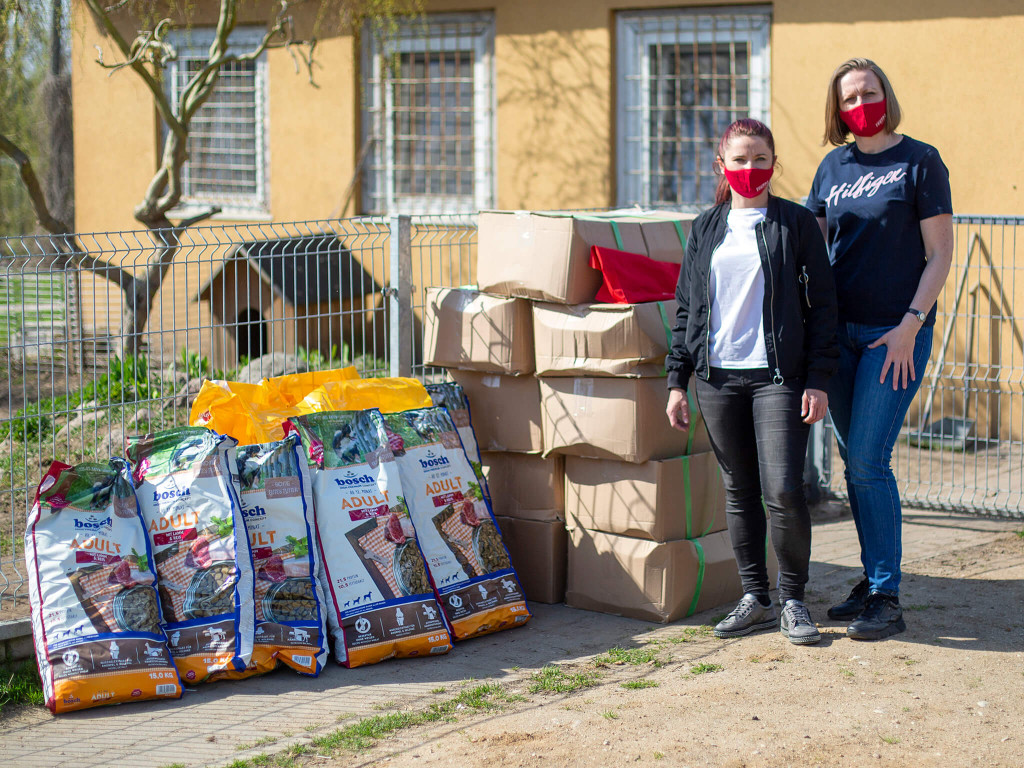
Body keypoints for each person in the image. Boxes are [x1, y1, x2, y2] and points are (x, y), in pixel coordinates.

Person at [666, 118, 838, 646]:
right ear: (722, 166)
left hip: (779, 380)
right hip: (717, 381)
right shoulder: (706, 227)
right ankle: (755, 598)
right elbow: (687, 307)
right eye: (740, 159)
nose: (750, 168)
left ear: (774, 164)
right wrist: (677, 380)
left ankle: (793, 600)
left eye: (760, 159)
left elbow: (823, 306)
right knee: (739, 492)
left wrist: (819, 379)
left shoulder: (796, 224)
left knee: (783, 489)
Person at [806, 59, 954, 641]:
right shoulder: (832, 167)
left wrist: (911, 324)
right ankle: (871, 581)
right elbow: (813, 250)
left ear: (886, 95)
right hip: (838, 339)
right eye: (849, 98)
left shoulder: (921, 160)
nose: (860, 104)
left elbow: (940, 254)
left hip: (894, 339)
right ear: (838, 109)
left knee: (869, 460)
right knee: (856, 463)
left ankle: (887, 597)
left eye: (868, 93)